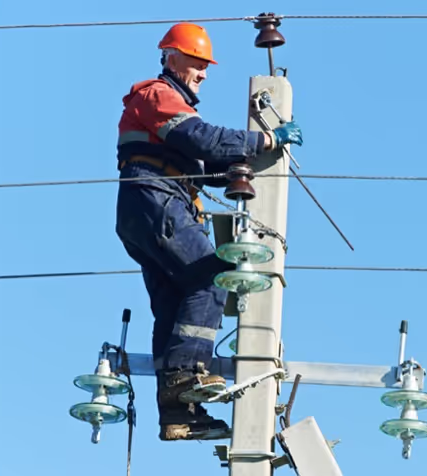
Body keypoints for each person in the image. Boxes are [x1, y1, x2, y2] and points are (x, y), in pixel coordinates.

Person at [113, 22, 303, 441]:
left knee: (176, 304)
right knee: (213, 275)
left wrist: (244, 160)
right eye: (197, 63)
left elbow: (207, 163)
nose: (203, 73)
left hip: (149, 206)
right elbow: (204, 141)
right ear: (171, 57)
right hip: (156, 198)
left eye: (206, 66)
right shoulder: (156, 95)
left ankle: (177, 414)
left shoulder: (168, 110)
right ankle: (185, 376)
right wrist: (266, 140)